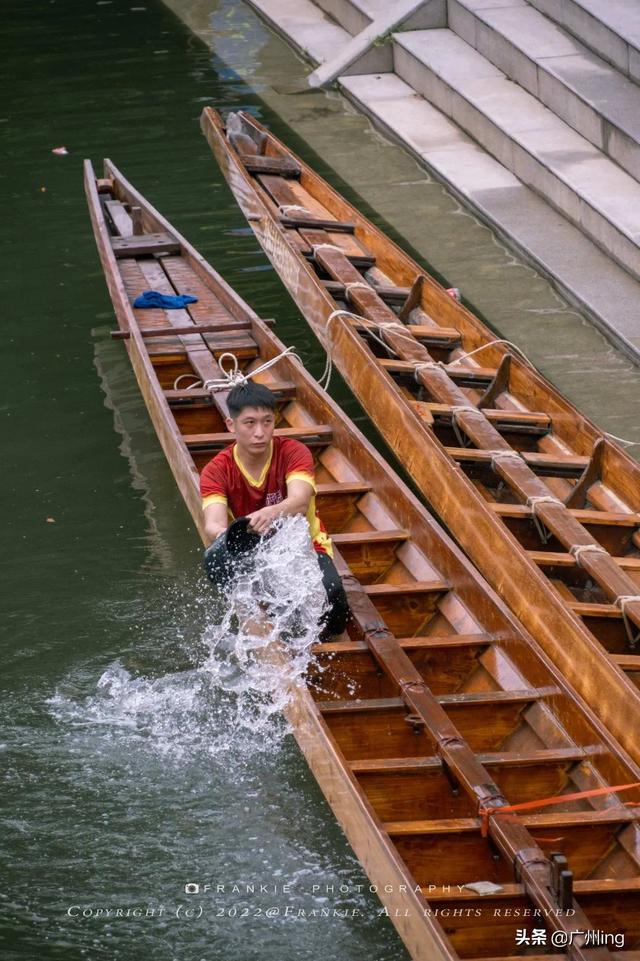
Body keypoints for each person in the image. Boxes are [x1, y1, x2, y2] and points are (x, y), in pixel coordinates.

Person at [200, 380, 350, 639]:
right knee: (215, 563)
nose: (260, 432)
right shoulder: (216, 469)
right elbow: (213, 523)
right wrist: (232, 537)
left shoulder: (293, 452)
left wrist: (270, 512)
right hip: (254, 551)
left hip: (305, 546)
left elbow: (300, 502)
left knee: (334, 597)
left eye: (267, 422)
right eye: (249, 423)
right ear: (231, 425)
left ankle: (325, 638)